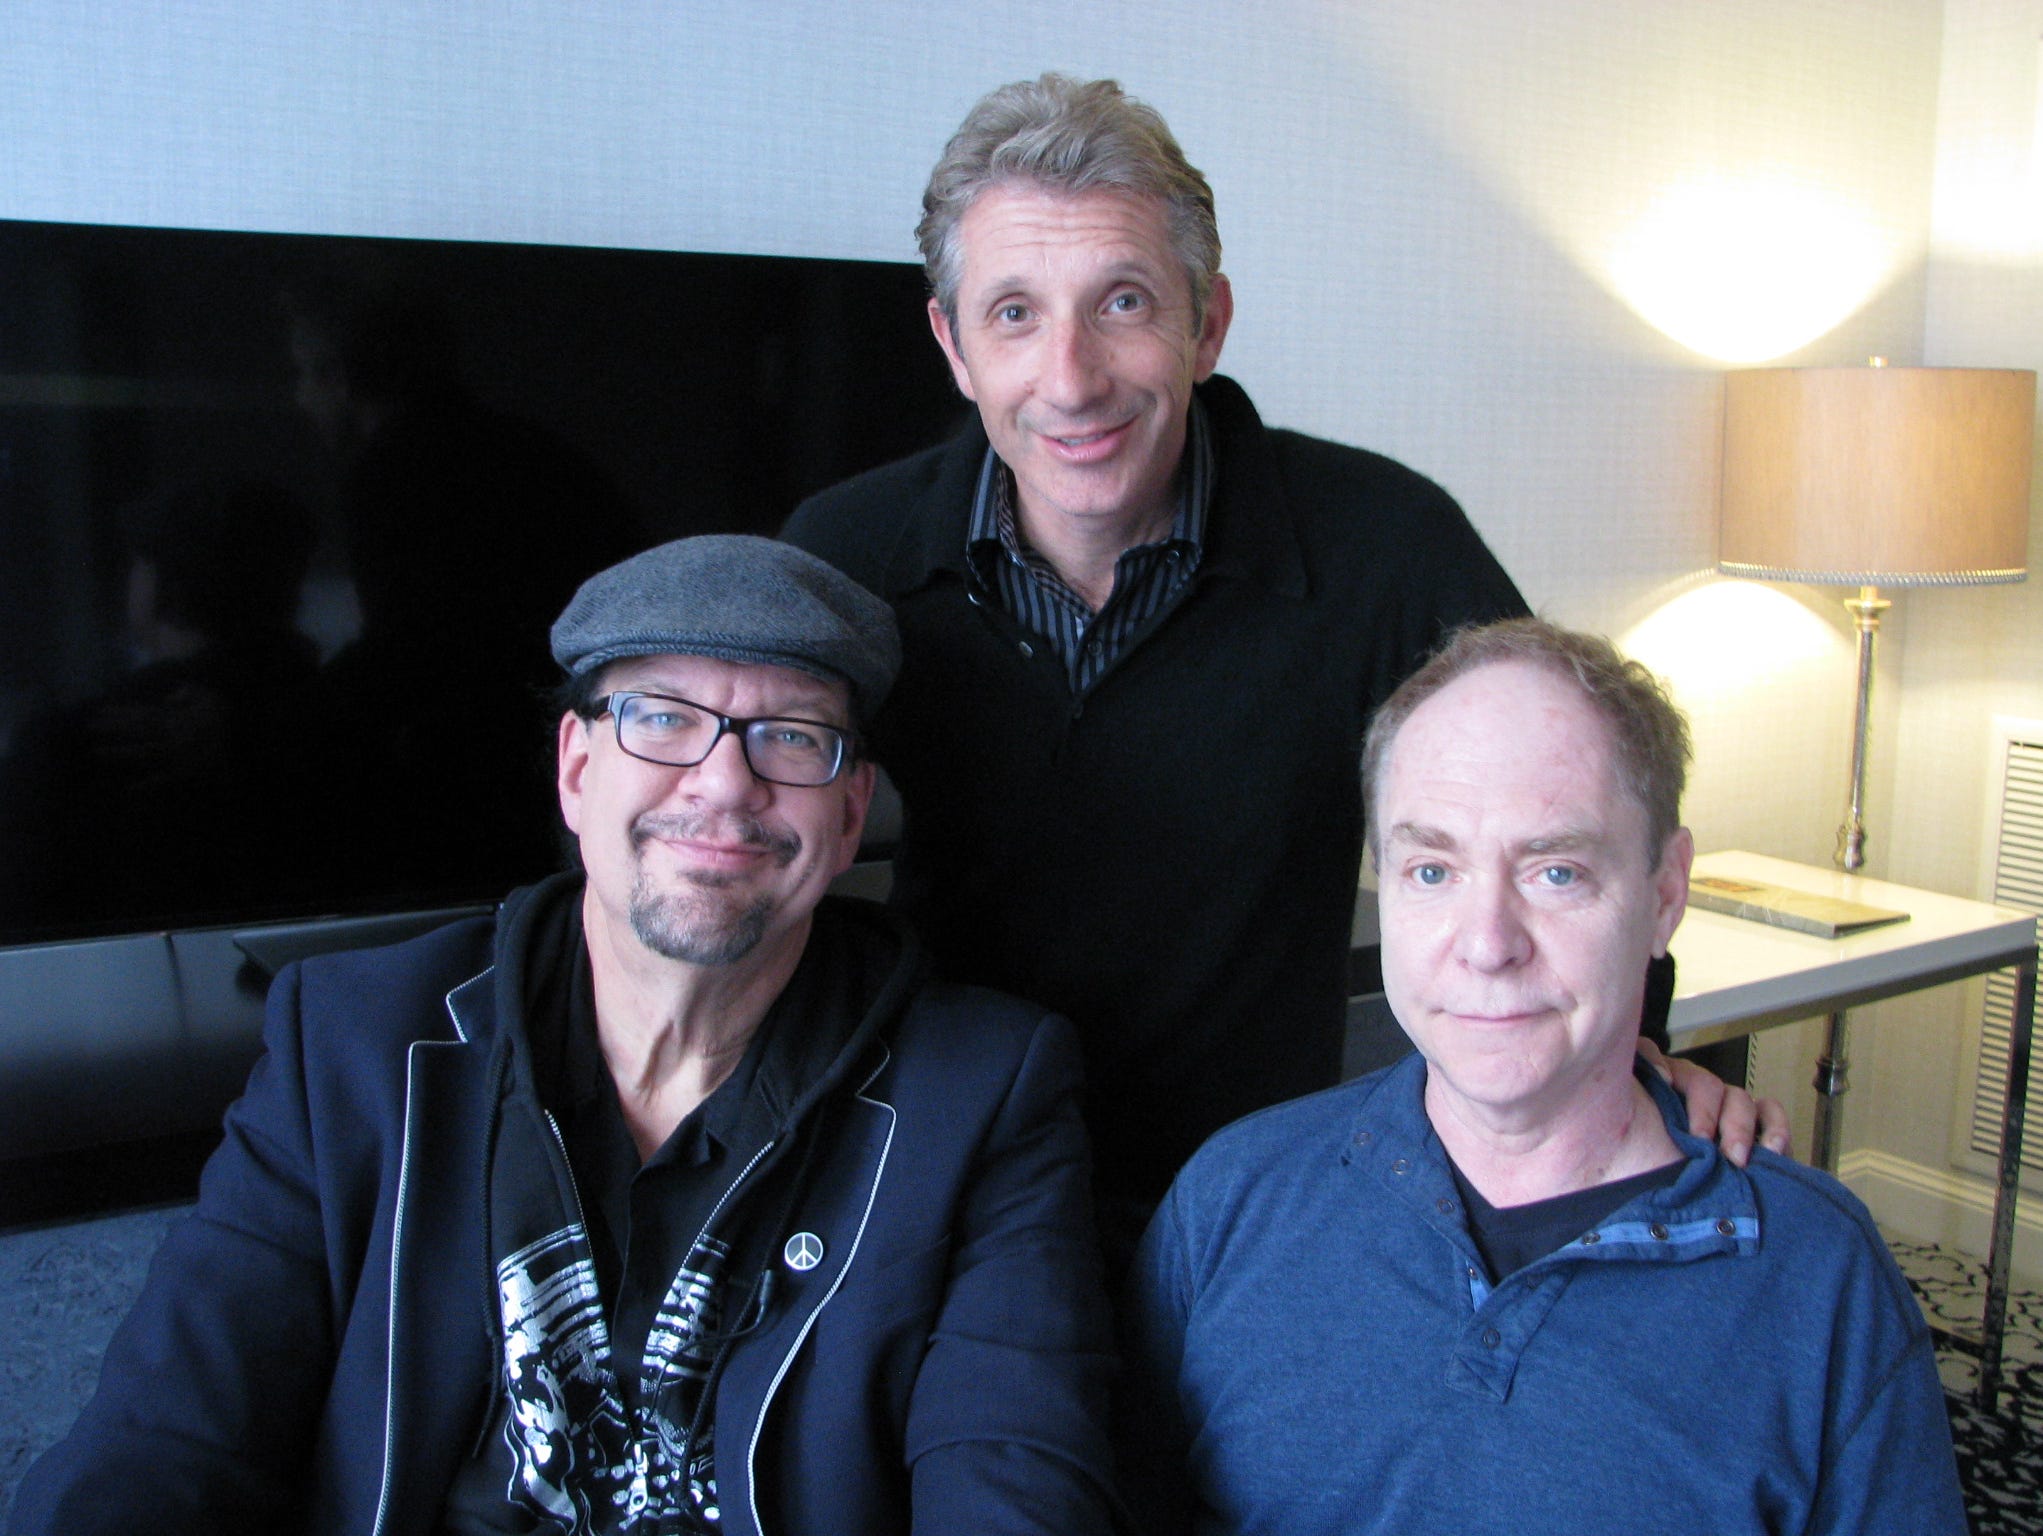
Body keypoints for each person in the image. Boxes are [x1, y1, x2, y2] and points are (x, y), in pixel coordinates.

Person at [782, 74, 1784, 1237]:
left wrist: (1639, 1053)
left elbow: (1578, 795)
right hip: (935, 1186)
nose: (1070, 379)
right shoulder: (847, 553)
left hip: (1262, 1200)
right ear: (953, 347)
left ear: (1207, 324)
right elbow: (711, 818)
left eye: (1122, 303)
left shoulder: (1383, 545)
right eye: (1014, 314)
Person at [11, 535, 1118, 1536]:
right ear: (578, 770)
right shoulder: (349, 1046)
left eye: (791, 736)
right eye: (663, 719)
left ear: (848, 809)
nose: (724, 784)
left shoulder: (984, 1095)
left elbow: (1015, 1482)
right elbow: (165, 1444)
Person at [1118, 618, 1967, 1535]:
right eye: (1432, 869)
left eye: (1556, 871)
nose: (1486, 944)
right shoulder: (1232, 1200)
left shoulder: (1815, 1278)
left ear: (1663, 896)